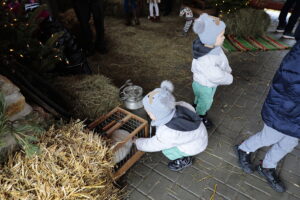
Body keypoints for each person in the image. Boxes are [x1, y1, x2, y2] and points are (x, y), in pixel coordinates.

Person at [235, 37, 300, 193]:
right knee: (269, 137)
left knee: (289, 143)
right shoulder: (297, 58)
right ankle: (244, 149)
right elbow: (287, 81)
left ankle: (268, 165)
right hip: (285, 108)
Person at [134, 80, 208, 171]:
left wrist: (137, 142)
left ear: (157, 114)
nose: (148, 114)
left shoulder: (168, 132)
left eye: (149, 113)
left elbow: (154, 144)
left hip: (194, 147)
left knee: (167, 150)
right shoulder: (181, 105)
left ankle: (184, 160)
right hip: (199, 135)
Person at [191, 13, 233, 128]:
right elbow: (216, 75)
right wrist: (229, 77)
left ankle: (195, 105)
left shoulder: (211, 48)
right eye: (221, 36)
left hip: (200, 82)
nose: (224, 37)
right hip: (206, 85)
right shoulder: (207, 59)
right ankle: (200, 115)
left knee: (199, 96)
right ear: (211, 38)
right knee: (206, 102)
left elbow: (221, 61)